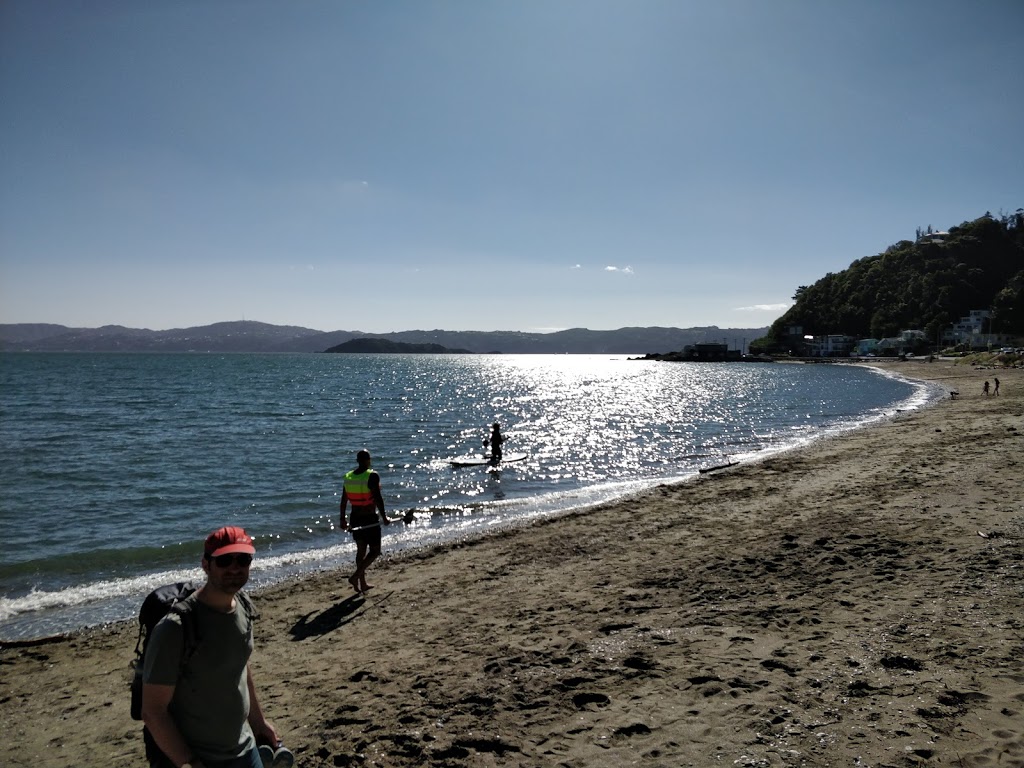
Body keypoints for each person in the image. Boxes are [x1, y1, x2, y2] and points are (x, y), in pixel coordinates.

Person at [142, 526, 287, 768]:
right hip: (201, 758)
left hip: (246, 748)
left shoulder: (243, 606)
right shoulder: (175, 628)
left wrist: (259, 723)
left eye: (243, 560)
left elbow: (240, 667)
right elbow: (153, 711)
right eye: (224, 560)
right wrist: (189, 762)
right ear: (206, 565)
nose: (235, 568)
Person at [340, 449, 389, 593]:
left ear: (357, 461)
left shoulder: (348, 477)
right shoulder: (372, 475)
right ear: (369, 460)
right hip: (369, 519)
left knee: (361, 551)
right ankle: (355, 576)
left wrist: (342, 519)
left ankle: (362, 583)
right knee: (375, 550)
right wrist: (384, 517)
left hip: (355, 518)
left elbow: (343, 501)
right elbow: (378, 498)